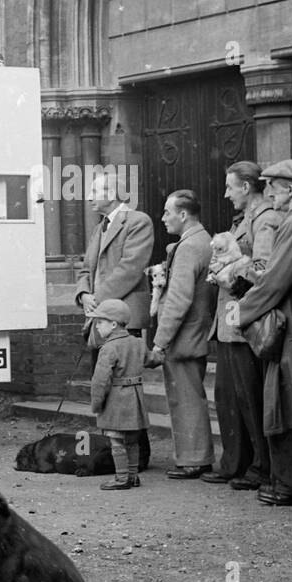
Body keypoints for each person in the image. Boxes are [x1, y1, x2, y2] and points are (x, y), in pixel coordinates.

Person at [235, 161, 292, 506]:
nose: (267, 193)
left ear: (289, 190)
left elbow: (275, 281)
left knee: (287, 402)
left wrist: (239, 313)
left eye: (271, 186)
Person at [203, 160, 283, 491]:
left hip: (244, 323)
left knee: (250, 399)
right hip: (231, 323)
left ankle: (262, 467)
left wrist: (229, 274)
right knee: (229, 398)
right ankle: (236, 463)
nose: (225, 193)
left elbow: (262, 269)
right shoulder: (248, 219)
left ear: (246, 187)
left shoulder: (264, 220)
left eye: (230, 187)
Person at [75, 172, 154, 465]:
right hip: (101, 316)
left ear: (113, 192)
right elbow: (86, 269)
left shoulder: (138, 221)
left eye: (95, 190)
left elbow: (131, 269)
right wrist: (84, 294)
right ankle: (117, 451)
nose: (90, 196)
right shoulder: (100, 228)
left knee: (125, 386)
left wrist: (99, 303)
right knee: (105, 382)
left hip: (121, 318)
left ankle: (138, 454)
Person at [151, 190, 216, 480]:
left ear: (183, 214)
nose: (163, 218)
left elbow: (178, 299)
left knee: (185, 397)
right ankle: (194, 456)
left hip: (184, 335)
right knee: (188, 395)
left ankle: (194, 458)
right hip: (193, 331)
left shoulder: (189, 247)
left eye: (167, 212)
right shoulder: (201, 240)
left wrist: (159, 342)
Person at [87, 298, 151, 492]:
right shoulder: (138, 343)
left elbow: (100, 381)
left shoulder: (108, 348)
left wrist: (97, 404)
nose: (96, 326)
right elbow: (152, 359)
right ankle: (133, 476)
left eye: (100, 322)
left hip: (116, 399)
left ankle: (121, 478)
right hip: (135, 398)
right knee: (132, 440)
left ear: (113, 324)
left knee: (116, 439)